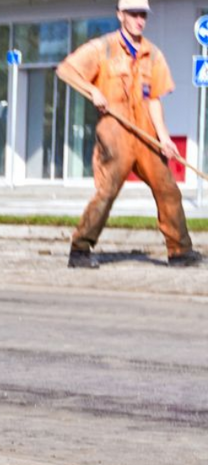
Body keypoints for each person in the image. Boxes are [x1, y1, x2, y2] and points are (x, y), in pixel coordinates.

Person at [58, 0, 200, 268]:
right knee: (107, 191)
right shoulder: (103, 48)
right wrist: (93, 91)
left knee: (168, 189)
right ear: (120, 15)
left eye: (142, 15)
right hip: (115, 129)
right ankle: (80, 250)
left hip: (146, 134)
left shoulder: (153, 54)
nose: (139, 20)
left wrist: (164, 137)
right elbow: (66, 70)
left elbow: (154, 99)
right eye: (133, 14)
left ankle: (180, 252)